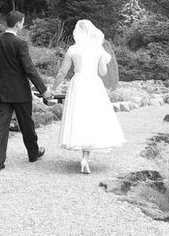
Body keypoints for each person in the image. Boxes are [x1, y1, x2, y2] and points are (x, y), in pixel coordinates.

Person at [49, 20, 125, 174]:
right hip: (93, 83)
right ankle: (85, 158)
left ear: (78, 32)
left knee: (79, 116)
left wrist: (53, 88)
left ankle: (83, 155)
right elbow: (103, 73)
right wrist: (102, 61)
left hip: (78, 83)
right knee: (92, 116)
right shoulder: (98, 50)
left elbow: (62, 72)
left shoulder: (73, 49)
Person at [0, 10, 52, 171]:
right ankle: (33, 153)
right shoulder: (20, 44)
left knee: (0, 126)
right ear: (18, 24)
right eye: (23, 22)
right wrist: (43, 90)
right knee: (27, 125)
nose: (23, 24)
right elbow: (29, 69)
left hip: (3, 90)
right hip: (20, 92)